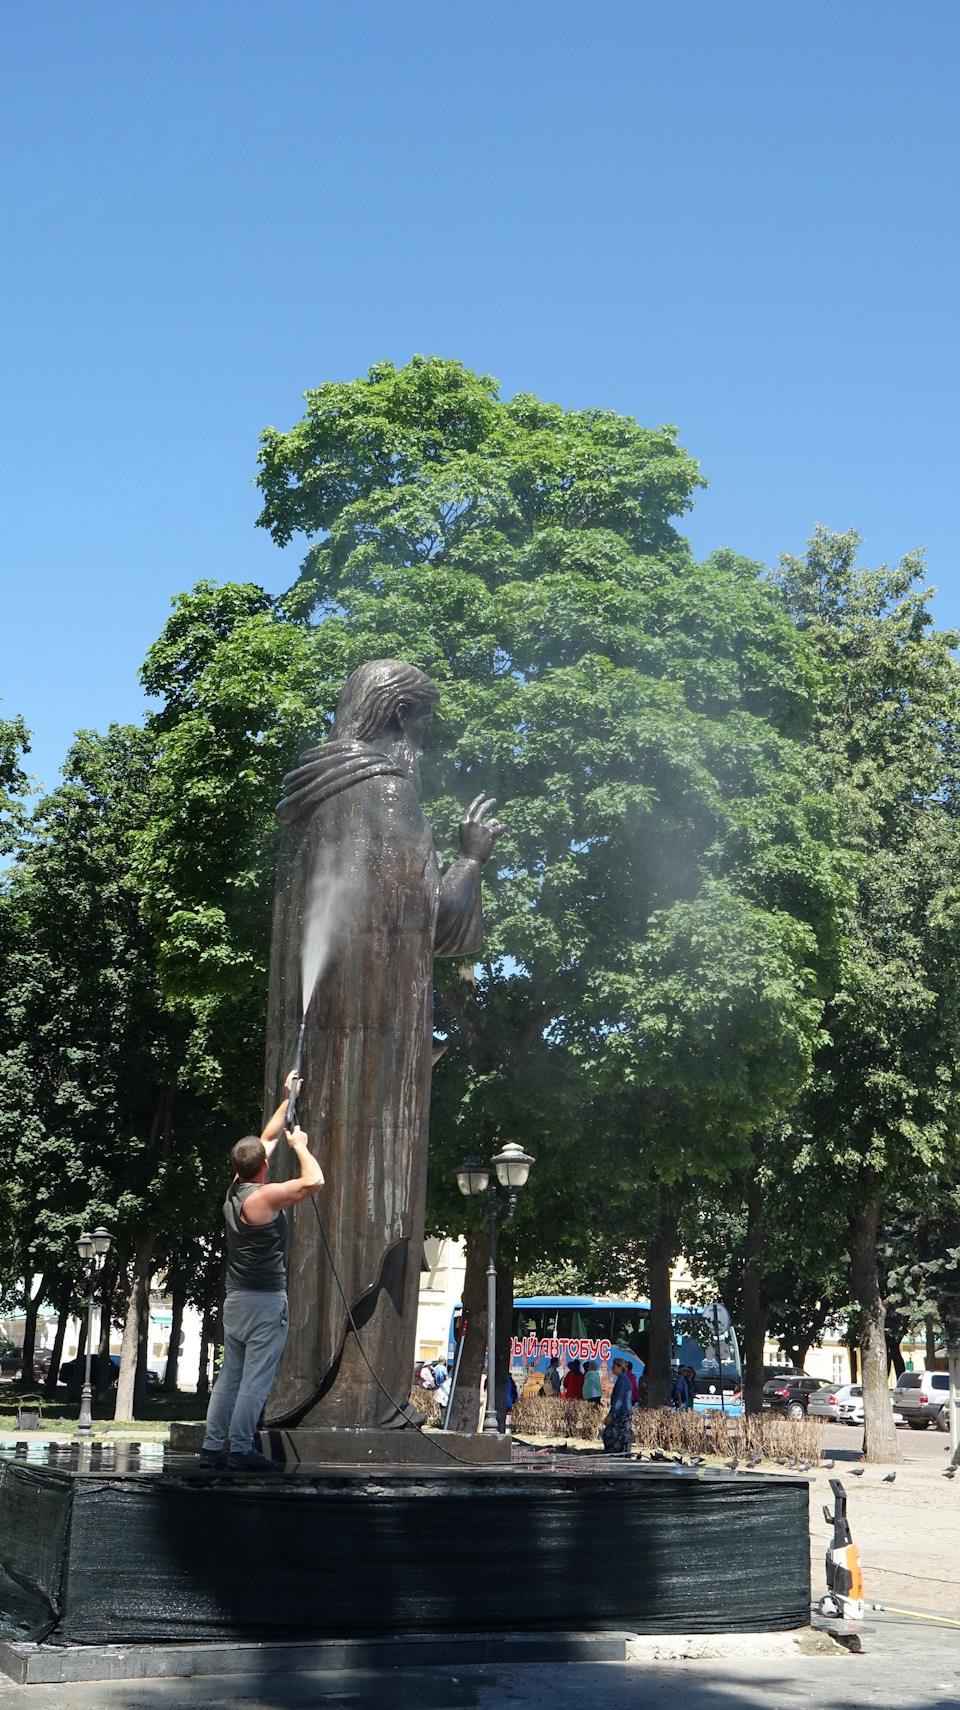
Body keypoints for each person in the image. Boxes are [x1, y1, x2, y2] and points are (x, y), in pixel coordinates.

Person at [199, 1072, 325, 1471]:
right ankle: (239, 1451)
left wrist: (290, 1098)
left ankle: (211, 1449)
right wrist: (302, 1146)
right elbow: (314, 1180)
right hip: (265, 1304)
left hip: (236, 1302)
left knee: (228, 1380)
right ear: (264, 1166)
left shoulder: (234, 1191)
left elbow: (265, 1138)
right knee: (254, 1382)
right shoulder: (265, 1197)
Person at [601, 1356, 634, 1457]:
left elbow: (619, 1399)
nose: (612, 1368)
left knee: (619, 1436)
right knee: (619, 1436)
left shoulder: (622, 1381)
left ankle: (620, 1455)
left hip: (622, 1413)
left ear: (620, 1367)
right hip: (622, 1412)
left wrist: (611, 1414)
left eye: (614, 1366)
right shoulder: (622, 1380)